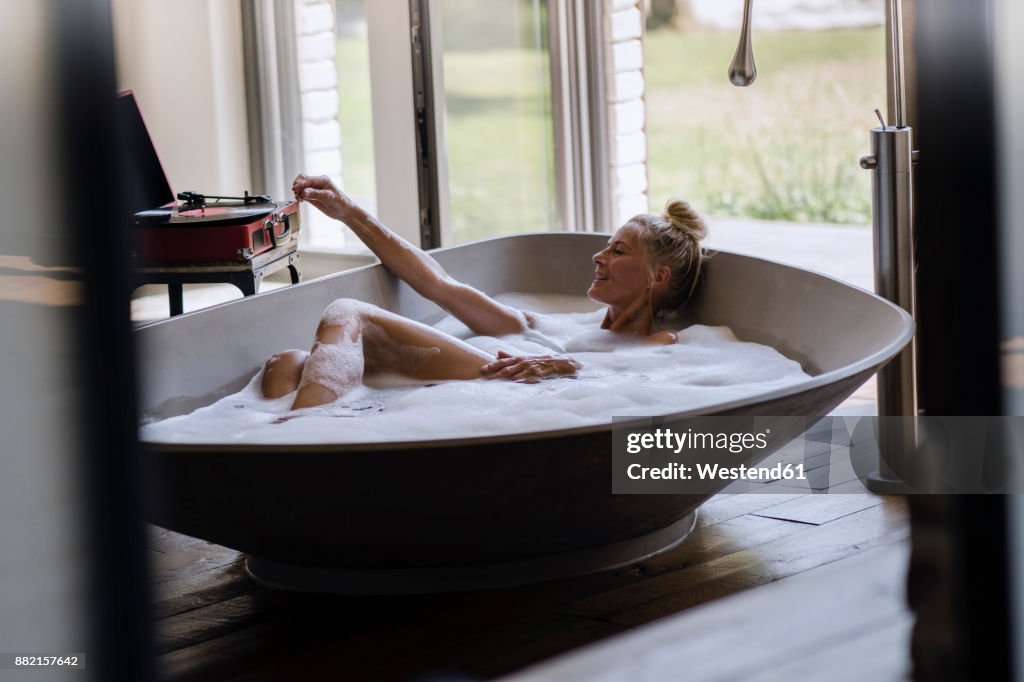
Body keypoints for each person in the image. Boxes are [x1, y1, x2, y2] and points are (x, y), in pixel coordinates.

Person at [261, 174, 708, 410]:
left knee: (348, 311)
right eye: (606, 246)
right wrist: (348, 211)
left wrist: (573, 367)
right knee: (287, 362)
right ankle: (312, 435)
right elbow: (437, 282)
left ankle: (298, 440)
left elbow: (650, 393)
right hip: (502, 384)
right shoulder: (549, 328)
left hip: (526, 396)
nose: (598, 256)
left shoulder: (661, 343)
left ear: (657, 278)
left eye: (619, 251)